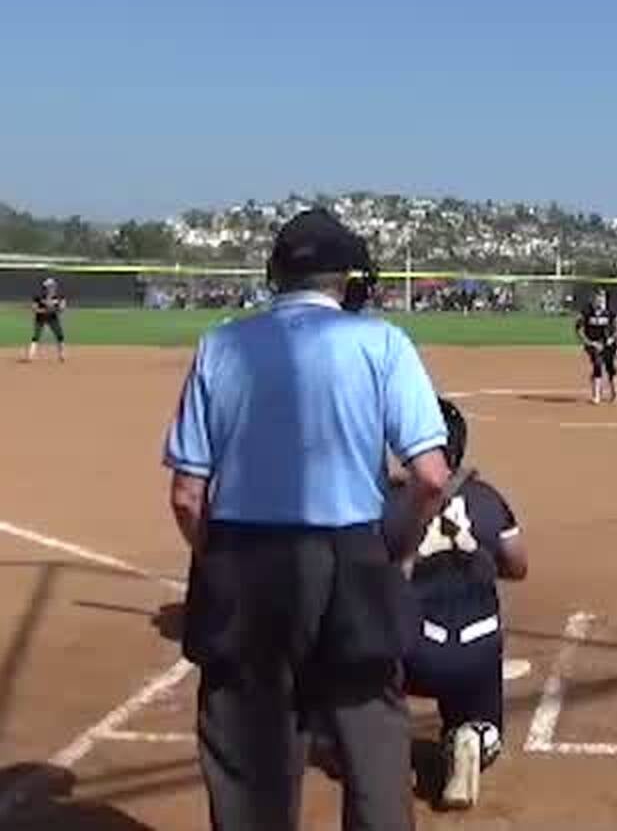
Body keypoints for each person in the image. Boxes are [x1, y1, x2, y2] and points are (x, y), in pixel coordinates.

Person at [162, 208, 454, 831]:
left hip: (245, 556)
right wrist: (393, 548)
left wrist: (218, 560)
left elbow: (188, 495)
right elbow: (430, 476)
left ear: (275, 274)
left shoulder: (222, 345)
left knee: (246, 742)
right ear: (344, 279)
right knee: (370, 729)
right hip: (352, 554)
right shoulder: (382, 342)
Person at [395, 398, 527, 811]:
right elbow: (518, 566)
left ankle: (377, 740)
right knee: (482, 719)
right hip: (478, 653)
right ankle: (472, 734)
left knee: (364, 626)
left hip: (413, 655)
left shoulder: (391, 501)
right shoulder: (488, 498)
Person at [575, 288, 617, 404]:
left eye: (601, 298)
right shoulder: (587, 311)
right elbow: (578, 329)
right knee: (597, 363)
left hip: (608, 342)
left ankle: (615, 390)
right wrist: (589, 342)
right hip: (593, 343)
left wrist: (612, 338)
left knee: (610, 365)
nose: (599, 301)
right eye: (597, 298)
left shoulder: (610, 311)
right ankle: (596, 394)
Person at [27, 277, 68, 362]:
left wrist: (56, 309)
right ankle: (31, 355)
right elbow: (34, 308)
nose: (50, 289)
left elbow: (62, 308)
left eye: (52, 286)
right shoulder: (39, 297)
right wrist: (44, 310)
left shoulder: (59, 297)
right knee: (36, 336)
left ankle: (62, 354)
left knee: (59, 334)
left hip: (52, 317)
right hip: (40, 318)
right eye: (48, 287)